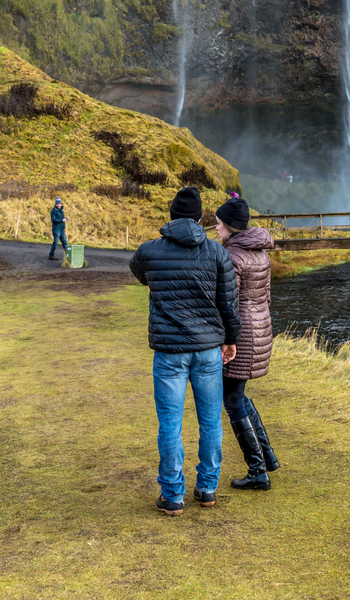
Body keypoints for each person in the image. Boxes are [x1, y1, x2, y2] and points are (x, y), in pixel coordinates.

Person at [129, 186, 241, 516]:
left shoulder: (149, 251)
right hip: (208, 350)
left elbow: (139, 274)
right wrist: (230, 339)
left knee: (170, 425)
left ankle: (173, 495)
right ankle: (207, 488)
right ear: (199, 217)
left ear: (172, 215)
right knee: (210, 422)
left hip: (170, 352)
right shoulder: (217, 253)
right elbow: (228, 304)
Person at [215, 197, 278, 490]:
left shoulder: (234, 257)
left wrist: (227, 339)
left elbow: (230, 303)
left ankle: (257, 471)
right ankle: (267, 457)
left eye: (218, 224)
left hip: (242, 335)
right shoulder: (261, 253)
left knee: (232, 398)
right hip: (259, 329)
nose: (216, 230)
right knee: (238, 395)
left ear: (229, 227)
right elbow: (265, 298)